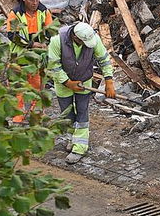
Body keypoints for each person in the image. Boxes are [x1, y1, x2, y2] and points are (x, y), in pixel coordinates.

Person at [45, 21, 114, 162]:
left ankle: (80, 147)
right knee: (67, 114)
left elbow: (104, 59)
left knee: (82, 112)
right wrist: (68, 82)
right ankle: (72, 138)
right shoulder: (57, 40)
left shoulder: (92, 38)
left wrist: (109, 80)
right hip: (63, 83)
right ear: (76, 37)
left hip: (84, 81)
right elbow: (54, 65)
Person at [4, 0, 54, 123]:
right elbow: (12, 35)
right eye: (31, 0)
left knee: (37, 85)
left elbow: (50, 31)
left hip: (36, 57)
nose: (35, 3)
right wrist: (32, 44)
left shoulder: (44, 11)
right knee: (17, 86)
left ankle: (35, 114)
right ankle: (18, 116)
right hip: (19, 56)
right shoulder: (15, 13)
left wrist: (45, 42)